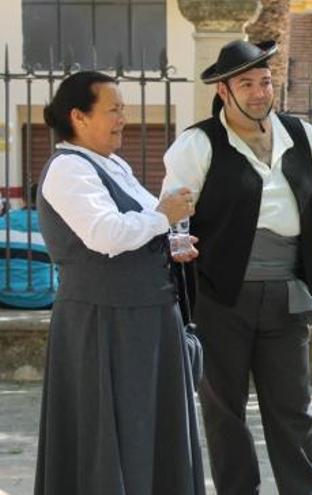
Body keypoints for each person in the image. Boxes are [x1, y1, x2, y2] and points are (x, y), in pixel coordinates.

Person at [162, 39, 312, 495]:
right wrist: (175, 240)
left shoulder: (297, 132)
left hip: (286, 293)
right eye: (248, 83)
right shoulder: (198, 143)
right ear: (224, 91)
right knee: (225, 411)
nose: (261, 92)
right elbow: (173, 212)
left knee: (293, 409)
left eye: (266, 82)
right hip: (220, 296)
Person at [34, 71, 204, 494]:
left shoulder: (111, 164)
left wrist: (170, 240)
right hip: (104, 321)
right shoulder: (68, 168)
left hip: (144, 319)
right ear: (78, 116)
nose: (122, 119)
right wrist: (162, 216)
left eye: (123, 110)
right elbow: (105, 234)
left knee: (147, 433)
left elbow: (139, 228)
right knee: (110, 435)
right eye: (113, 110)